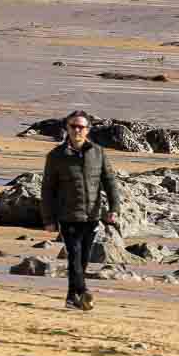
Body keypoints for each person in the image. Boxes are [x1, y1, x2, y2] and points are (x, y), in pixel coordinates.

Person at [41, 109, 120, 311]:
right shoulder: (56, 156)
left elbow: (109, 182)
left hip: (92, 215)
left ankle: (70, 297)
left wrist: (114, 208)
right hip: (68, 215)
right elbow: (48, 189)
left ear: (88, 129)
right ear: (66, 128)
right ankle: (84, 291)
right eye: (73, 126)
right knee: (74, 256)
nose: (77, 130)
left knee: (83, 259)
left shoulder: (99, 153)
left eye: (81, 127)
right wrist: (49, 218)